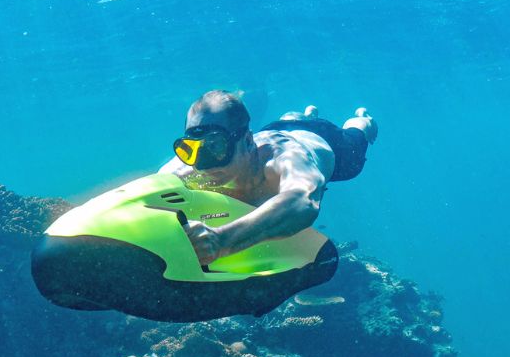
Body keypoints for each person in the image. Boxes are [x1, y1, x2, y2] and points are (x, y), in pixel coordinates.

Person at [159, 90, 377, 265]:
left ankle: (360, 120)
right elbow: (152, 187)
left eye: (216, 147)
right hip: (274, 129)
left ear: (246, 141)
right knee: (290, 120)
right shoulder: (191, 167)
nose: (202, 164)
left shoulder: (284, 159)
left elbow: (303, 201)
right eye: (190, 149)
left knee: (358, 138)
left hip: (329, 142)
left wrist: (222, 240)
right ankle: (304, 116)